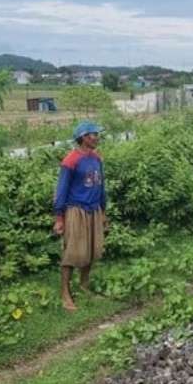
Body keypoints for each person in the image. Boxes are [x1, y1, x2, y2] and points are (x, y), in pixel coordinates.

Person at [53, 121, 108, 311]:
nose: (97, 138)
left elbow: (101, 187)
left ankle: (84, 286)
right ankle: (65, 294)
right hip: (76, 210)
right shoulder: (71, 160)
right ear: (84, 137)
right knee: (73, 252)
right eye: (94, 134)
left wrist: (103, 211)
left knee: (92, 250)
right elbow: (61, 190)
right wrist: (59, 218)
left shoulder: (96, 158)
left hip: (94, 210)